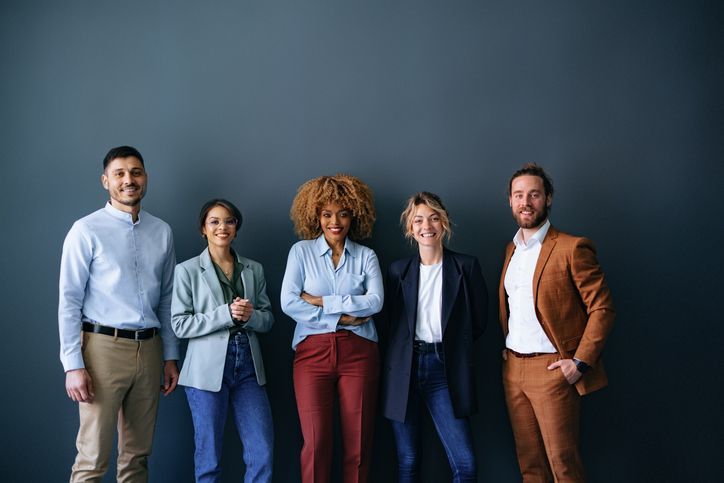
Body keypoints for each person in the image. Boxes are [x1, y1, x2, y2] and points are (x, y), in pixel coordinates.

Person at [58, 145, 180, 482]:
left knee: (137, 458)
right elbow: (68, 299)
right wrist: (73, 365)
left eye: (136, 172)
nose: (129, 180)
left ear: (145, 178)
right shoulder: (86, 230)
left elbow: (167, 299)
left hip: (150, 350)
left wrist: (170, 356)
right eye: (120, 173)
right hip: (102, 350)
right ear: (105, 181)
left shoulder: (162, 231)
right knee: (92, 458)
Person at [499, 163, 615, 482]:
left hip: (552, 370)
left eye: (534, 194)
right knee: (530, 465)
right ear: (510, 200)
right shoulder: (512, 250)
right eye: (519, 195)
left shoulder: (571, 247)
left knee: (563, 465)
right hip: (513, 370)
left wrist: (579, 362)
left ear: (547, 199)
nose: (526, 202)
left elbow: (602, 308)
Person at [280, 174, 383, 483]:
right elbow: (288, 303)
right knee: (316, 442)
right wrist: (341, 317)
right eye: (327, 214)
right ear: (316, 217)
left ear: (355, 214)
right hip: (312, 354)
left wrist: (321, 301)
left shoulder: (366, 256)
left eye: (343, 213)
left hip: (360, 353)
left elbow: (375, 302)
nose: (335, 221)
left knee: (359, 444)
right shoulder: (301, 252)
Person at [381, 192, 487, 482]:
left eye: (434, 217)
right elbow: (390, 324)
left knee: (465, 466)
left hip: (445, 370)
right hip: (404, 370)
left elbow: (478, 322)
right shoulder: (397, 271)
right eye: (418, 220)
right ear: (410, 228)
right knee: (408, 462)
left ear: (445, 223)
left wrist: (453, 350)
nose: (426, 225)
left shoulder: (466, 268)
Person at [171, 199, 275, 483]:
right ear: (203, 229)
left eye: (229, 221)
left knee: (262, 452)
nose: (222, 227)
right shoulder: (187, 271)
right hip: (205, 372)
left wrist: (250, 316)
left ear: (236, 228)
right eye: (214, 221)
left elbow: (268, 320)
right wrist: (225, 314)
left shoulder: (254, 269)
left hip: (249, 369)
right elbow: (180, 324)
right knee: (209, 457)